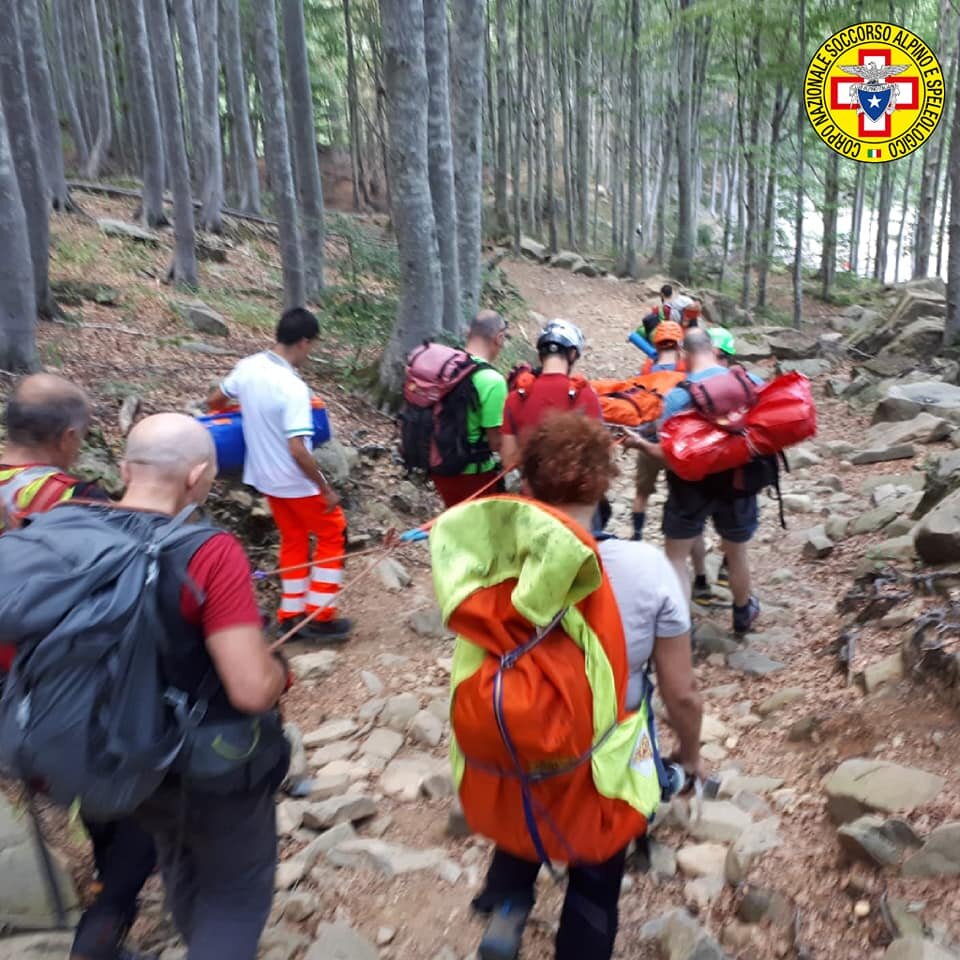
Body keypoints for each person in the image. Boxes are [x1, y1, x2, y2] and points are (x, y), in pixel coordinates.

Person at [436, 413, 702, 960]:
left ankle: (507, 904)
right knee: (594, 879)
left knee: (527, 786)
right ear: (605, 485)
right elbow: (682, 693)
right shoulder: (647, 567)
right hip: (602, 749)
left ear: (527, 486)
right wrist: (688, 757)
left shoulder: (495, 566)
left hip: (518, 734)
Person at [118, 414, 290, 960]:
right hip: (204, 763)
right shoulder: (209, 552)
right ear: (197, 477)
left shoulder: (65, 528)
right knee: (236, 893)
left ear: (124, 468)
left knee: (176, 852)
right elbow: (251, 690)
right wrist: (281, 670)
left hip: (111, 753)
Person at [0, 374, 158, 960]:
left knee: (81, 799)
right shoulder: (73, 499)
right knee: (141, 812)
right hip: (61, 682)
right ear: (68, 437)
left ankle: (98, 890)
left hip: (7, 688)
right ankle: (102, 926)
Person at [208, 308, 350, 642]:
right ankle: (320, 616)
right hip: (296, 481)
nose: (311, 352)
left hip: (265, 478)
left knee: (294, 539)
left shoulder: (249, 367)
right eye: (312, 345)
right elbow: (299, 450)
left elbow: (214, 401)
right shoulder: (293, 387)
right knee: (333, 534)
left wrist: (249, 411)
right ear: (303, 342)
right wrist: (325, 487)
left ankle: (290, 613)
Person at [630, 330, 763, 636]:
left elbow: (666, 453)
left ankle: (681, 629)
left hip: (688, 486)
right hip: (737, 481)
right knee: (737, 552)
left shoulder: (678, 396)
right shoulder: (749, 382)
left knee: (676, 555)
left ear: (684, 356)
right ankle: (742, 615)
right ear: (715, 351)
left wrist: (640, 445)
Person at [431, 311, 509, 508]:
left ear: (469, 333)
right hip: (473, 473)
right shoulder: (492, 381)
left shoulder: (447, 367)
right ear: (499, 338)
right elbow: (494, 443)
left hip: (438, 465)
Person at [500, 319, 600, 470]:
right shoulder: (586, 396)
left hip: (529, 491)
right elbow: (598, 457)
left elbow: (508, 461)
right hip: (574, 490)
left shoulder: (515, 398)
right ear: (572, 354)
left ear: (541, 354)